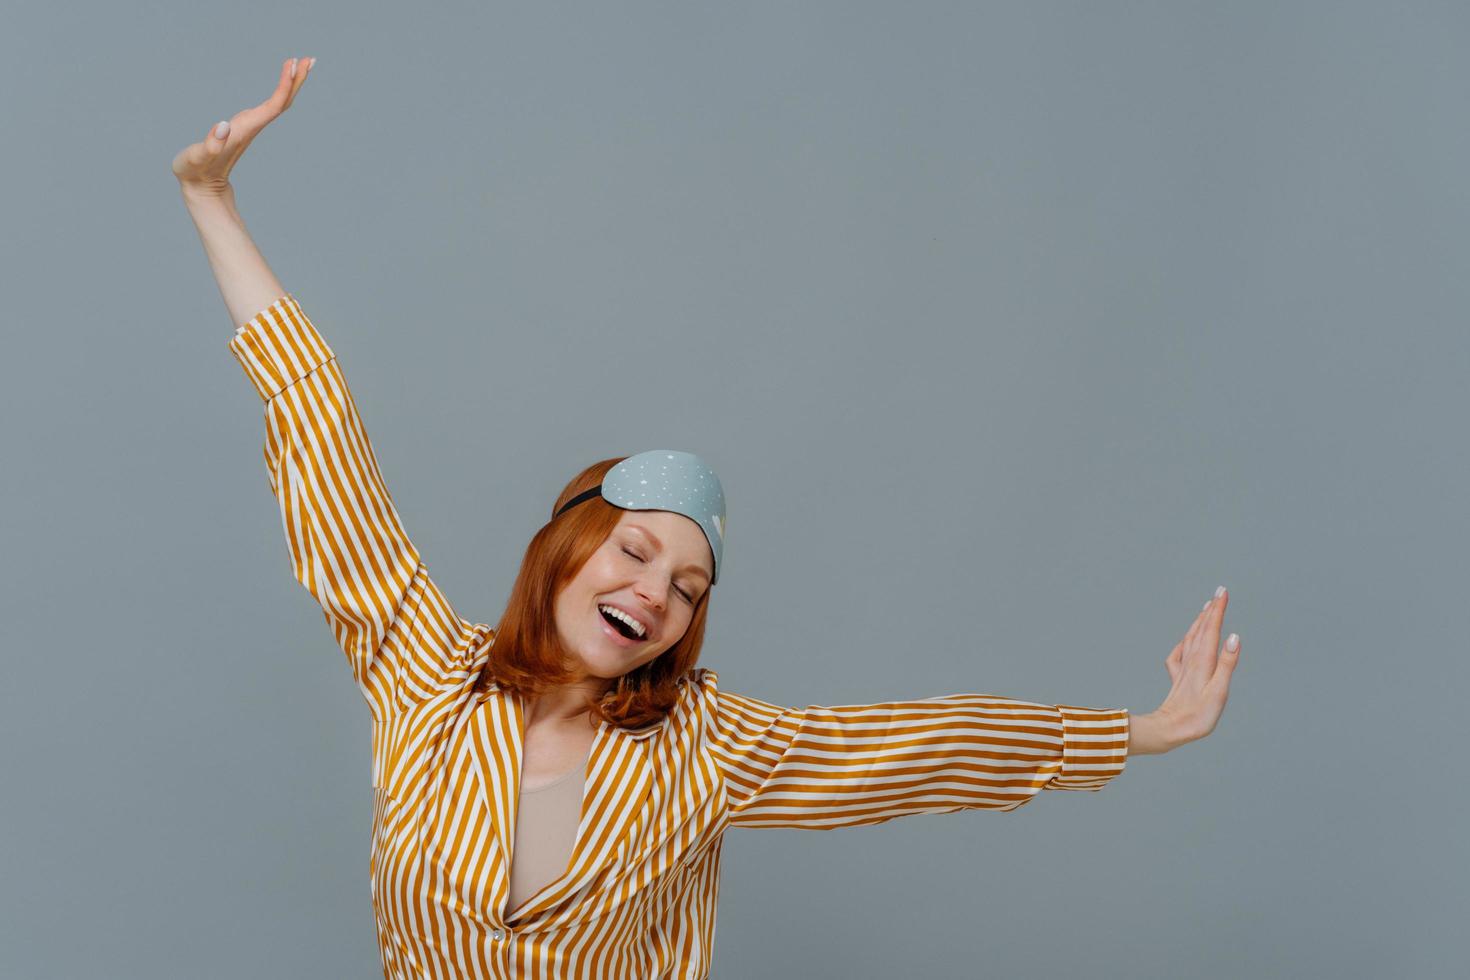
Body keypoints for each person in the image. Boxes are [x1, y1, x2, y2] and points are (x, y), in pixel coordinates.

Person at [173, 57, 1243, 980]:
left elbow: (914, 745)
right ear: (566, 548)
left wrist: (1140, 731)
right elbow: (322, 440)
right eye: (637, 549)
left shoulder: (707, 744)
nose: (656, 589)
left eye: (688, 585)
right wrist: (213, 200)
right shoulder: (424, 671)